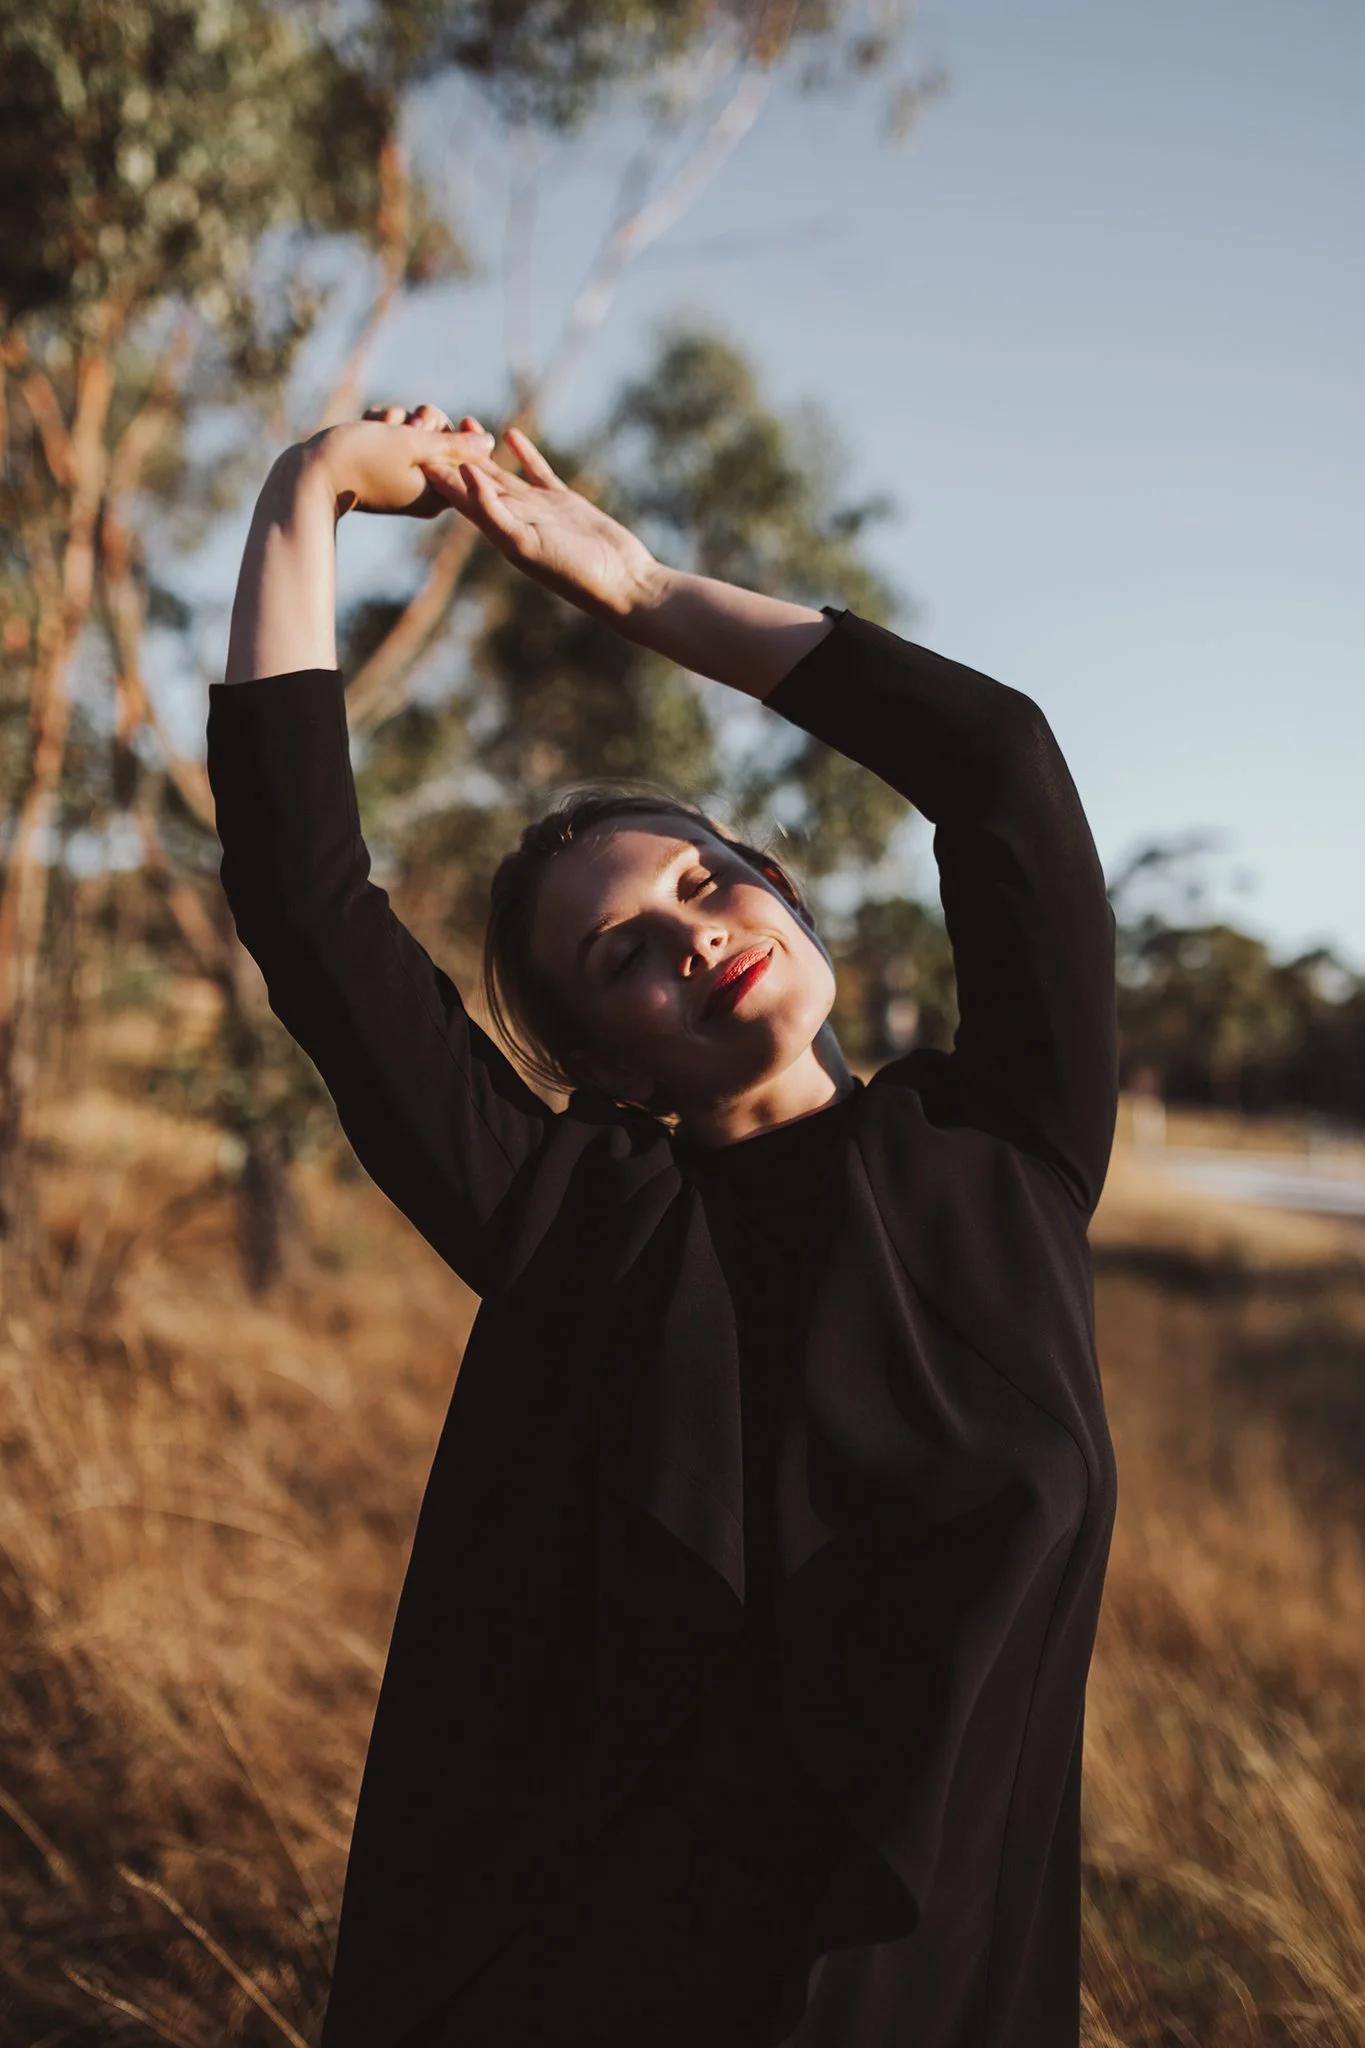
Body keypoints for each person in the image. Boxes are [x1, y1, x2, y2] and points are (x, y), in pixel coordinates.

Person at [208, 402, 1119, 2048]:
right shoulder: (579, 1219)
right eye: (622, 953)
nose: (691, 941)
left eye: (702, 884)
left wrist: (635, 588)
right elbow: (307, 905)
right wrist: (305, 498)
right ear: (597, 1054)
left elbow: (1001, 770)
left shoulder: (1008, 1151)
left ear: (777, 886)